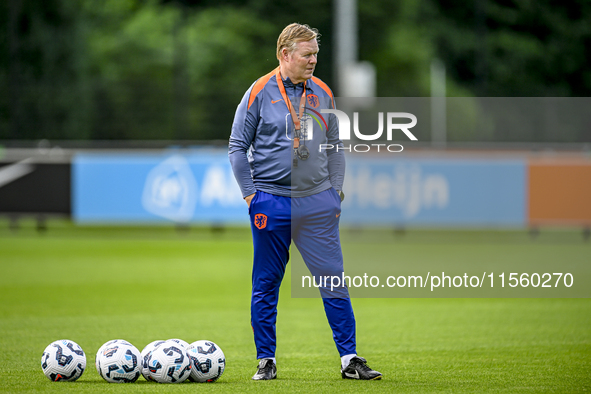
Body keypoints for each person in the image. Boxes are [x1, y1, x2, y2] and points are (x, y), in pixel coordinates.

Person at [228, 23, 382, 381]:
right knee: (266, 283)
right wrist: (252, 196)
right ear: (285, 54)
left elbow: (335, 148)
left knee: (334, 282)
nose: (313, 60)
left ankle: (350, 359)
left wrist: (335, 192)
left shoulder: (323, 92)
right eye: (307, 54)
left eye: (315, 53)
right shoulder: (258, 92)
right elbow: (237, 148)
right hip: (272, 202)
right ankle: (266, 360)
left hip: (317, 205)